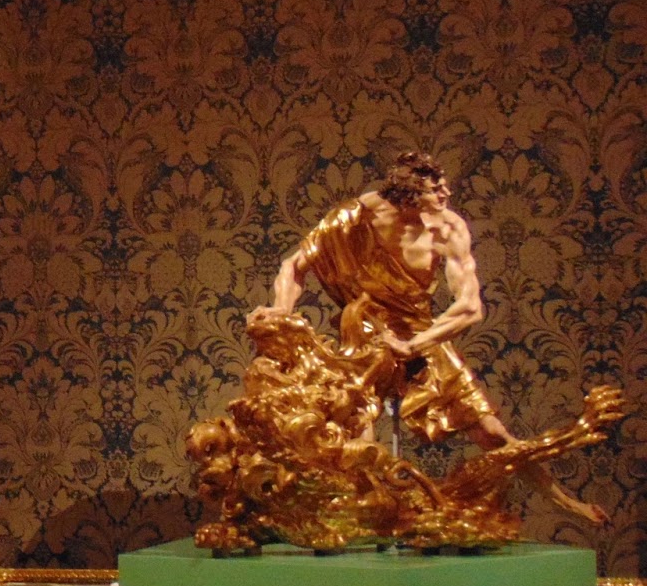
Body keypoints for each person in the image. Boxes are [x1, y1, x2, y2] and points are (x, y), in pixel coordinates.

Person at [255, 152, 608, 525]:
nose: (446, 194)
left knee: (492, 433)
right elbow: (293, 266)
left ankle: (563, 501)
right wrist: (281, 312)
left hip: (420, 334)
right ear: (408, 195)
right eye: (435, 189)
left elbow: (470, 307)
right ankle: (363, 517)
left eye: (444, 187)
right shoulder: (353, 219)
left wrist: (414, 345)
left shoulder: (448, 228)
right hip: (365, 336)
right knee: (358, 435)